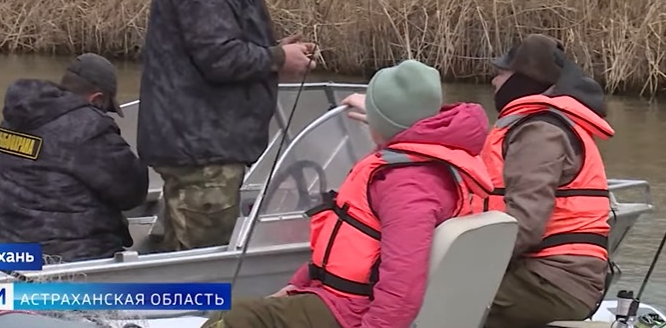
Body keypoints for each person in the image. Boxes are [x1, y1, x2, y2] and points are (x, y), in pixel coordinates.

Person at [201, 59, 494, 328]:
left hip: (351, 313)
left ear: (384, 124)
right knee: (231, 312)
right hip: (338, 299)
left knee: (236, 319)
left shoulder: (408, 185)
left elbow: (401, 289)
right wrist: (296, 287)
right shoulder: (420, 161)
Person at [137, 0, 317, 253]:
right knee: (197, 270)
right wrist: (279, 58)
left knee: (181, 258)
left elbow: (211, 50)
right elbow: (218, 57)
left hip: (198, 147)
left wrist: (271, 56)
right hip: (203, 154)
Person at [475, 34, 616, 328]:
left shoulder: (540, 132)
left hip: (553, 282)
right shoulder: (542, 125)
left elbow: (525, 223)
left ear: (522, 81)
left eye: (501, 74)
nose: (494, 82)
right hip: (549, 276)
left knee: (440, 297)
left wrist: (466, 264)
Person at [0, 53, 150, 263]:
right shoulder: (88, 128)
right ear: (98, 99)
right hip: (71, 255)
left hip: (7, 249)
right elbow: (133, 192)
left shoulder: (16, 119)